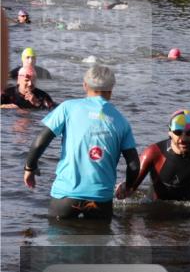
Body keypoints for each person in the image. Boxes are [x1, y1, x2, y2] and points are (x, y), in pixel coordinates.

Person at [23, 66, 138, 220]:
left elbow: (40, 142)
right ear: (111, 90)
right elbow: (134, 165)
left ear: (85, 85)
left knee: (58, 241)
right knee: (98, 242)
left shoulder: (68, 108)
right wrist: (128, 187)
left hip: (66, 195)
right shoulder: (121, 121)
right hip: (100, 198)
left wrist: (30, 167)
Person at [117, 110, 190, 203]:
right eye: (178, 133)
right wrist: (123, 189)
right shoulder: (153, 153)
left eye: (189, 133)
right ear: (169, 132)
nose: (183, 139)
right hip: (153, 209)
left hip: (186, 212)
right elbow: (130, 189)